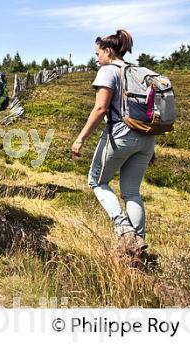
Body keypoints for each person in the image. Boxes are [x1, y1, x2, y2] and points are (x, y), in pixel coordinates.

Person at [71, 29, 154, 257]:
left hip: (120, 134)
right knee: (132, 192)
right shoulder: (138, 72)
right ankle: (137, 247)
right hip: (147, 138)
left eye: (97, 53)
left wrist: (80, 138)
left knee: (97, 182)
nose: (96, 57)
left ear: (108, 51)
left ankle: (124, 230)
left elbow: (100, 109)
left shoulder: (108, 71)